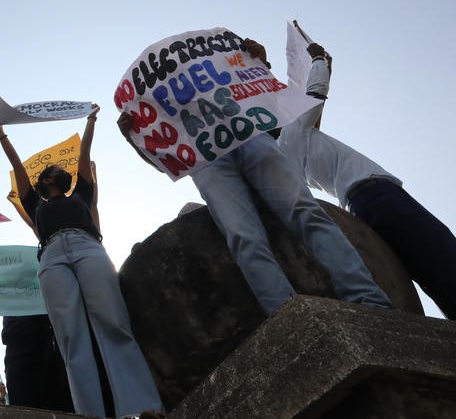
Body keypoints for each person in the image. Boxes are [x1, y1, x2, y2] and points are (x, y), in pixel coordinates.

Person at [118, 39, 392, 317]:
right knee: (245, 236)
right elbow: (171, 158)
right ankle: (290, 318)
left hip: (251, 138)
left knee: (300, 213)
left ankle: (367, 299)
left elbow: (264, 94)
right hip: (210, 160)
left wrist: (256, 62)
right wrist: (136, 138)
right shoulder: (176, 116)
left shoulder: (263, 119)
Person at [0, 105, 166, 419]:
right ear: (45, 181)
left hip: (88, 246)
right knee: (71, 338)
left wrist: (91, 121)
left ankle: (145, 406)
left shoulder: (82, 194)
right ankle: (91, 414)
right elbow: (17, 167)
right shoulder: (35, 204)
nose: (57, 172)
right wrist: (1, 134)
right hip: (51, 254)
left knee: (113, 321)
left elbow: (85, 152)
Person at [278, 41, 456, 318]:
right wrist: (318, 59)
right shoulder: (291, 132)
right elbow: (315, 93)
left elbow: (314, 116)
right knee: (442, 255)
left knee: (429, 271)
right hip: (378, 196)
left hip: (363, 205)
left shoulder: (285, 153)